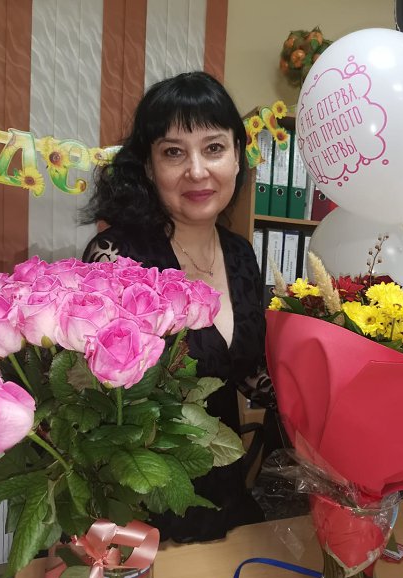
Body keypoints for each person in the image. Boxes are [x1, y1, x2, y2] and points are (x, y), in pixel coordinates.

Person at [81, 71, 272, 543]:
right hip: (140, 502)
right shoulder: (116, 258)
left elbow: (243, 371)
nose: (197, 171)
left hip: (224, 492)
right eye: (173, 152)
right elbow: (95, 402)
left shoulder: (242, 255)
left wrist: (327, 399)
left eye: (214, 148)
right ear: (148, 168)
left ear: (237, 155)